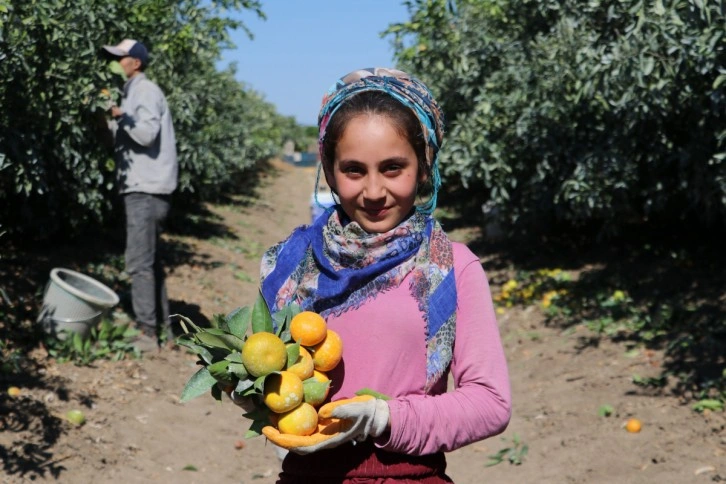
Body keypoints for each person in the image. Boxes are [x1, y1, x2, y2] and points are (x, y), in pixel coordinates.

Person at [256, 68, 512, 482]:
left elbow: (490, 402)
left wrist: (384, 418)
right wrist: (249, 388)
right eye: (354, 170)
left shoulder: (451, 268)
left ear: (425, 166)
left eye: (393, 168)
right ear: (329, 167)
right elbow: (274, 377)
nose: (374, 191)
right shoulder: (290, 266)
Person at [101, 39, 178, 352]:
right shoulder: (130, 93)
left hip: (146, 188)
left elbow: (145, 134)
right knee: (150, 261)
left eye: (121, 58)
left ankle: (147, 334)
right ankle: (165, 331)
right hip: (143, 186)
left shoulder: (144, 91)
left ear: (136, 61)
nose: (117, 63)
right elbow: (118, 140)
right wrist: (103, 117)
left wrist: (120, 114)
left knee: (138, 261)